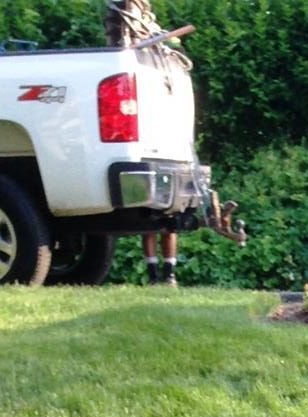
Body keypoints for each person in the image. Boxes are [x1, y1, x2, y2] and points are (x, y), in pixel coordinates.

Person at [104, 0, 180, 285]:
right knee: (151, 224)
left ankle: (168, 275)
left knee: (167, 224)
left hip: (163, 153)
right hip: (150, 152)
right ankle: (154, 276)